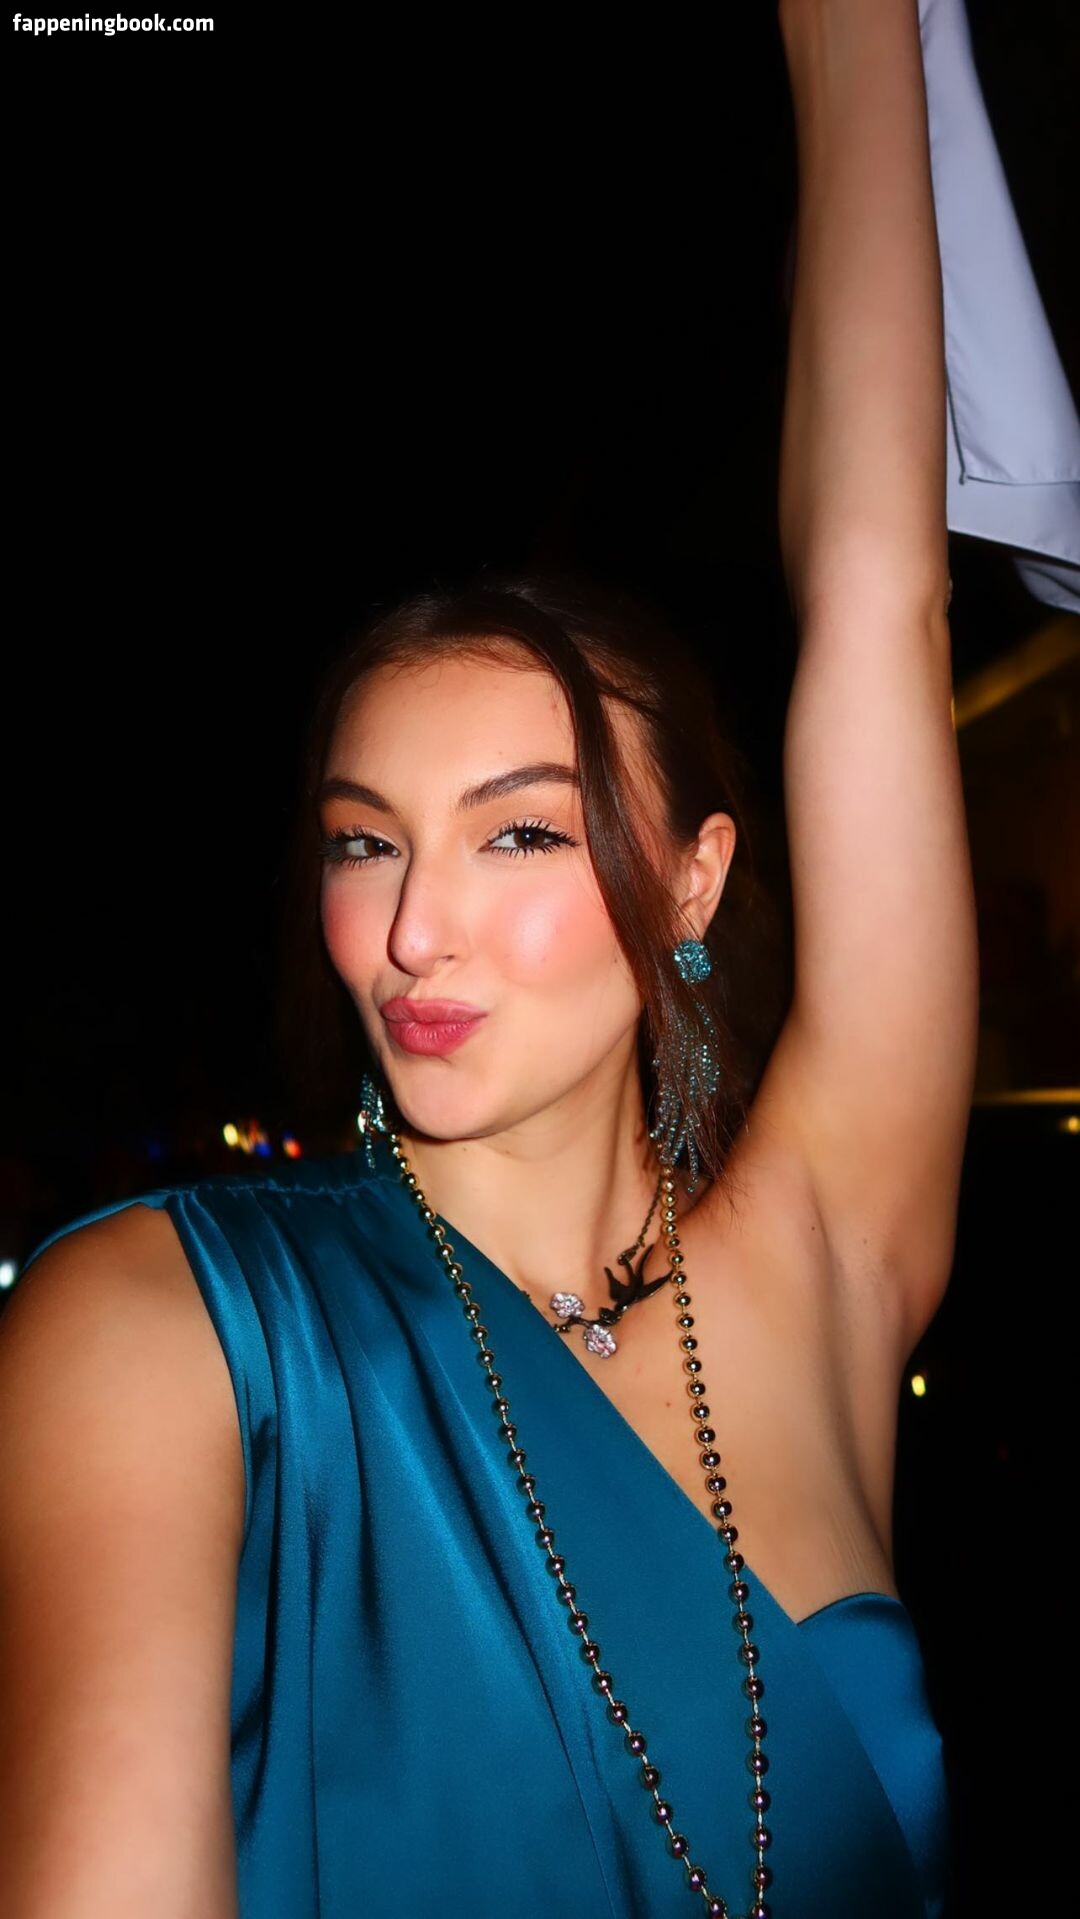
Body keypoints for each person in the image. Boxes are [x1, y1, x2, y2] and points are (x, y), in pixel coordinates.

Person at [0, 3, 977, 1915]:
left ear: (693, 881)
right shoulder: (156, 1333)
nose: (410, 929)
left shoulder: (825, 1264)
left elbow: (882, 584)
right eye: (364, 840)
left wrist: (858, 44)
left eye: (519, 832)